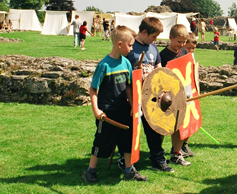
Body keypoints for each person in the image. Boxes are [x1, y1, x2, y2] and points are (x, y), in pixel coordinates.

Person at [82, 25, 148, 183]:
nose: (132, 49)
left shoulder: (126, 63)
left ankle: (128, 170)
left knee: (126, 141)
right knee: (102, 141)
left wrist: (132, 105)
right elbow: (93, 90)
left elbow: (128, 87)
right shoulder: (104, 65)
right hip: (107, 113)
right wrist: (96, 110)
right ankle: (90, 170)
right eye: (130, 45)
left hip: (123, 110)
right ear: (120, 44)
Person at [124, 17, 175, 172]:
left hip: (150, 97)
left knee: (153, 129)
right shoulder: (130, 47)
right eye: (154, 36)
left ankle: (157, 159)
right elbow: (124, 74)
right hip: (131, 96)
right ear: (144, 32)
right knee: (130, 131)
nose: (155, 40)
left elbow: (158, 69)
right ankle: (125, 160)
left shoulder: (153, 48)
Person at [159, 24, 192, 165]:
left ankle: (176, 153)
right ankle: (158, 154)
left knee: (179, 125)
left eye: (184, 42)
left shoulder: (184, 52)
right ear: (170, 38)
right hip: (166, 97)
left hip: (182, 95)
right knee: (161, 127)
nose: (182, 45)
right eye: (179, 41)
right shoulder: (162, 55)